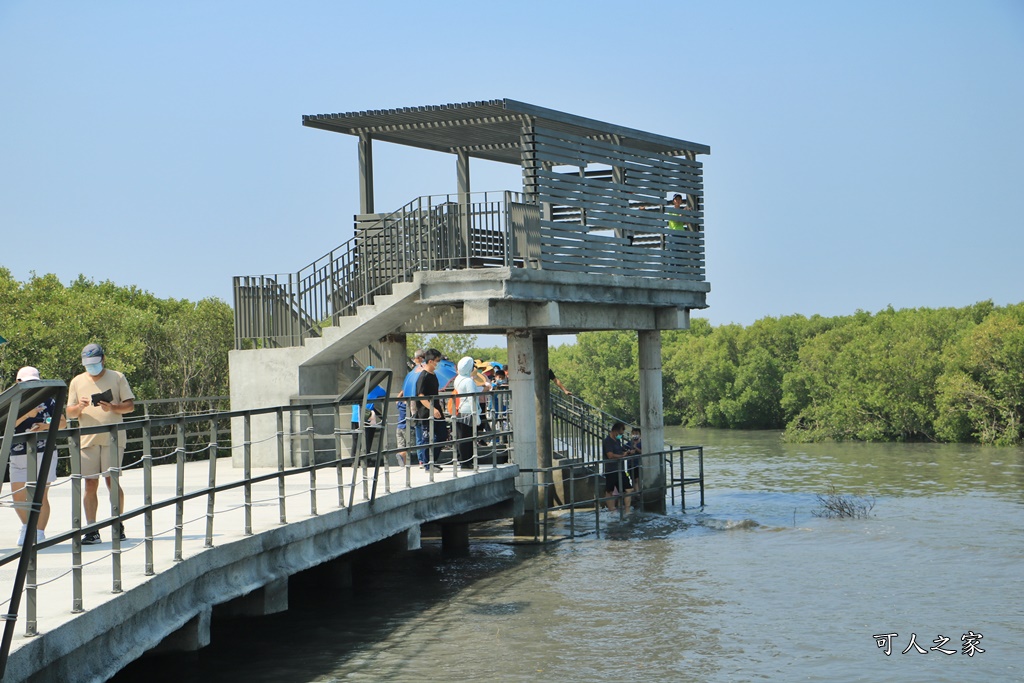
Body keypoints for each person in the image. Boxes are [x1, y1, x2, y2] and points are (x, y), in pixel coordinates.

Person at [66, 343, 135, 544]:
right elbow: (69, 412)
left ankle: (117, 523)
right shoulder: (77, 381)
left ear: (103, 359)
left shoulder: (117, 376)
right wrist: (79, 407)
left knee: (111, 480)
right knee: (90, 483)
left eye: (95, 363)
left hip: (113, 438)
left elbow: (130, 406)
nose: (91, 367)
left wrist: (113, 407)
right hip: (87, 439)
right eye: (88, 363)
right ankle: (92, 529)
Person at [9, 367, 67, 545]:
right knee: (17, 495)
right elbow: (7, 425)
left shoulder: (48, 400)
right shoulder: (13, 401)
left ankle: (39, 532)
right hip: (18, 451)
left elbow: (61, 422)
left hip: (43, 450)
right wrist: (27, 414)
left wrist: (44, 425)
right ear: (18, 383)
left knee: (40, 495)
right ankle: (28, 526)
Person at [414, 348, 446, 472]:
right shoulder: (423, 376)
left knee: (442, 435)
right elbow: (421, 396)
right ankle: (428, 464)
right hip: (427, 412)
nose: (438, 363)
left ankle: (433, 460)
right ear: (431, 361)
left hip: (437, 409)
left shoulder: (434, 375)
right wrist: (432, 409)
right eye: (437, 361)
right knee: (427, 438)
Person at [452, 356, 482, 469]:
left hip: (460, 411)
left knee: (461, 437)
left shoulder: (458, 379)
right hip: (469, 412)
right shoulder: (468, 381)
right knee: (468, 438)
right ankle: (467, 462)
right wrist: (476, 415)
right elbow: (472, 399)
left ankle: (463, 460)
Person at [602, 421, 634, 514]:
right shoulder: (607, 441)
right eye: (620, 434)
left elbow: (620, 450)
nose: (621, 436)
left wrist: (627, 452)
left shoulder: (617, 440)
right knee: (609, 490)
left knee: (628, 489)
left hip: (620, 469)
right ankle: (612, 510)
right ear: (615, 431)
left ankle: (627, 510)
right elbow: (610, 455)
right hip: (611, 470)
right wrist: (622, 456)